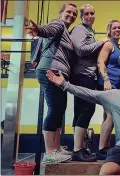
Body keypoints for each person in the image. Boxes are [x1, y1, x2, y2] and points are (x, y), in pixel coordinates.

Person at [25, 3, 78, 163]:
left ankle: (56, 147)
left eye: (74, 13)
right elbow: (49, 30)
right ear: (61, 13)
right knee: (55, 109)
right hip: (50, 70)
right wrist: (39, 30)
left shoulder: (66, 32)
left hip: (59, 73)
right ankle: (49, 152)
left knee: (59, 109)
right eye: (68, 12)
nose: (71, 15)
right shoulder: (58, 23)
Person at [69, 4, 109, 162]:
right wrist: (101, 42)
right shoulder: (80, 29)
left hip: (85, 75)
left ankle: (78, 148)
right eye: (87, 13)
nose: (90, 16)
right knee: (87, 109)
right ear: (81, 16)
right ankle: (78, 150)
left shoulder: (89, 31)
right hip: (82, 75)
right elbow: (80, 49)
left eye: (92, 13)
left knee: (80, 111)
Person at [96, 20, 120, 159]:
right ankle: (102, 149)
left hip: (116, 85)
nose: (118, 30)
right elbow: (100, 62)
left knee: (107, 116)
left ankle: (104, 146)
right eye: (115, 28)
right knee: (112, 116)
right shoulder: (108, 44)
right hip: (109, 84)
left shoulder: (118, 47)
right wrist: (106, 80)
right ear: (109, 30)